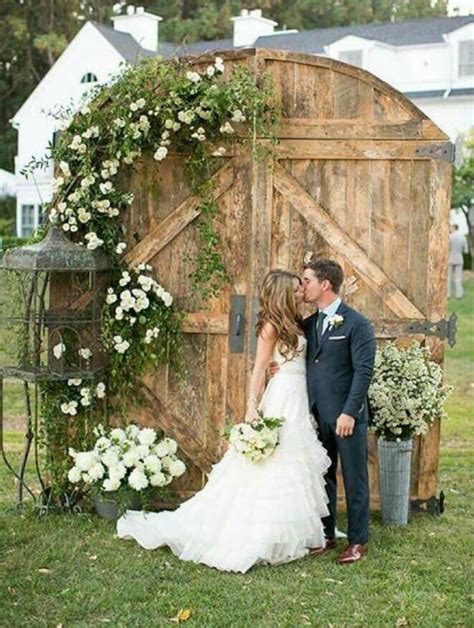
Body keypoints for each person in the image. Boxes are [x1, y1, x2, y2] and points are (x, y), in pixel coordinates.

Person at [117, 270, 331, 573]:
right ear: (284, 293)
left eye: (301, 288)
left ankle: (293, 534)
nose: (301, 293)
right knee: (273, 464)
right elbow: (258, 369)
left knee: (294, 463)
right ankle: (261, 534)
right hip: (281, 397)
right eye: (296, 290)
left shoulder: (298, 323)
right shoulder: (270, 327)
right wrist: (251, 407)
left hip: (297, 395)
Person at [271, 259, 376, 565]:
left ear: (325, 285)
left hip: (346, 416)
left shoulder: (357, 324)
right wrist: (280, 364)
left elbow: (363, 372)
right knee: (323, 477)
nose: (302, 287)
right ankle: (326, 534)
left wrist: (350, 412)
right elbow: (299, 355)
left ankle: (357, 541)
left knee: (355, 478)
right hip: (315, 414)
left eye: (306, 281)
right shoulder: (310, 323)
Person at [448, 224, 468, 299]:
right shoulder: (463, 238)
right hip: (459, 259)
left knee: (448, 278)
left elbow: (447, 248)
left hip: (450, 258)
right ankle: (459, 295)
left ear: (453, 228)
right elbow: (466, 251)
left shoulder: (450, 237)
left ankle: (447, 294)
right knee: (458, 278)